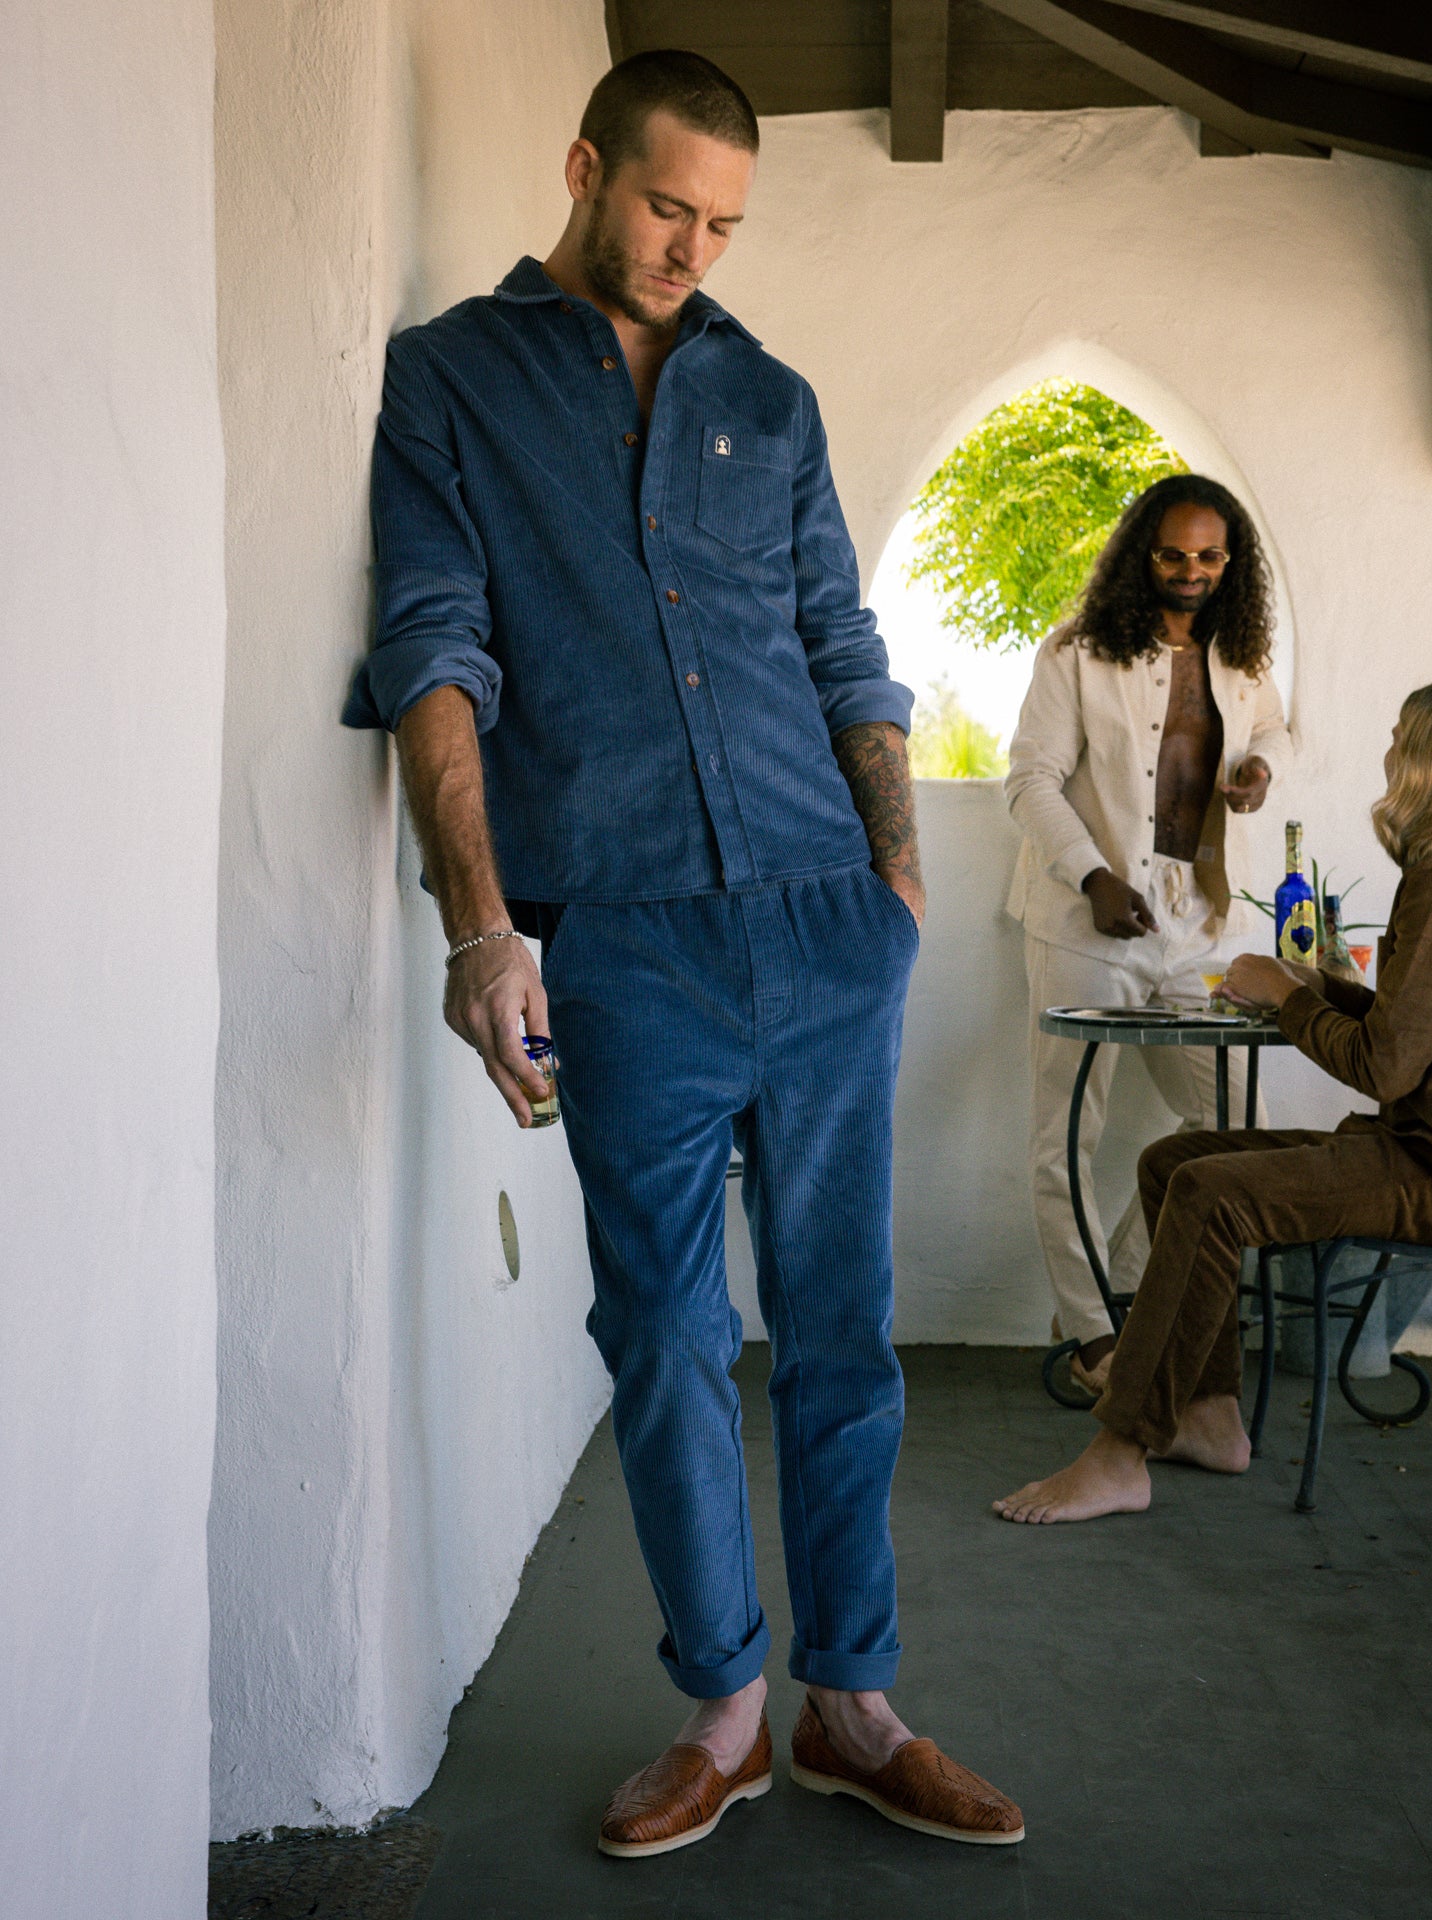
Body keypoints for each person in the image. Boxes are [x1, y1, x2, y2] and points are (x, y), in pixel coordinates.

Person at [343, 50, 1023, 1854]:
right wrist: (481, 927)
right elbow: (433, 650)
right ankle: (723, 1706)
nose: (691, 250)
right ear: (584, 167)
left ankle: (853, 1709)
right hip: (618, 940)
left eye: (723, 223)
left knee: (841, 1337)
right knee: (657, 1333)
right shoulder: (451, 382)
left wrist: (893, 878)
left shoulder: (769, 397)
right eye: (665, 208)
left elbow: (835, 635)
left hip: (820, 922)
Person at [995, 680, 1432, 1524]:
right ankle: (1209, 1416)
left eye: (1401, 739)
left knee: (1212, 1191)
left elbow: (1387, 1067)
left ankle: (1118, 1452)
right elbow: (1423, 1036)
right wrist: (1308, 983)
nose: (1389, 754)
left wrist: (1286, 1001)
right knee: (1174, 1161)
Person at [1005, 475, 1295, 1395]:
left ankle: (1119, 1282)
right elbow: (1030, 781)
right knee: (1066, 1136)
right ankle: (1094, 1339)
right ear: (1143, 554)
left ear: (1230, 564)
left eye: (1211, 557)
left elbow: (1279, 731)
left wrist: (1257, 768)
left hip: (1200, 922)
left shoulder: (1242, 660)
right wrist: (1092, 876)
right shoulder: (1077, 653)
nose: (1192, 572)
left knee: (1226, 1116)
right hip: (1087, 918)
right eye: (1173, 554)